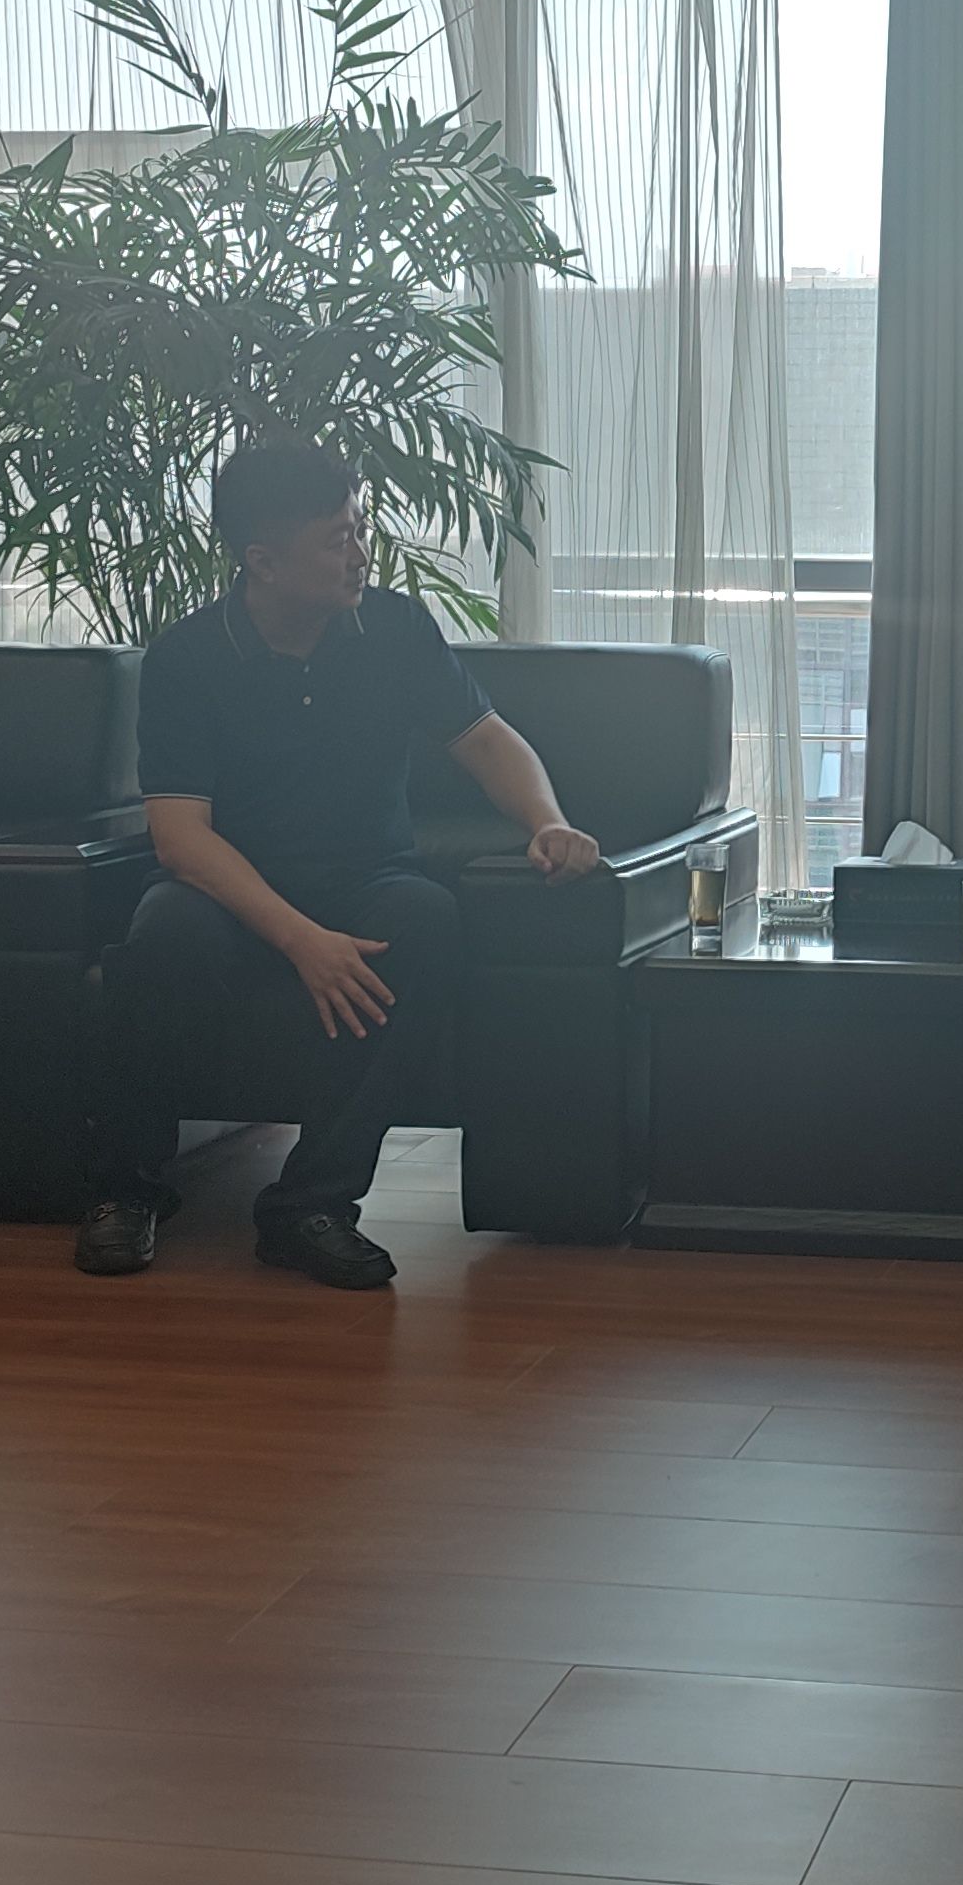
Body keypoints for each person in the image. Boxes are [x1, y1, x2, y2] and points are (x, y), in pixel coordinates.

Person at [74, 441, 602, 1286]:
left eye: (360, 529)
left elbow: (486, 741)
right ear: (263, 562)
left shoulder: (395, 629)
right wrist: (302, 941)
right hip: (229, 890)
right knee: (164, 934)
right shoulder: (186, 658)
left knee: (424, 921)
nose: (361, 553)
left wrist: (549, 822)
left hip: (366, 879)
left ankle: (311, 1206)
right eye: (337, 539)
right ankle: (124, 1193)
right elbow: (181, 839)